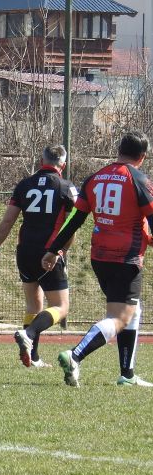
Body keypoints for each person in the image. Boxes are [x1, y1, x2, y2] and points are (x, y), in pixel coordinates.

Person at [43, 132, 153, 387]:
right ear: (143, 156)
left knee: (132, 310)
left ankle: (127, 374)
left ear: (119, 150)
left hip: (100, 257)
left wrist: (54, 249)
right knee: (119, 317)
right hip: (126, 257)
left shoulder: (95, 178)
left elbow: (75, 219)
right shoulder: (139, 180)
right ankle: (75, 355)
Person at [0, 145, 76, 368]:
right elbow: (71, 225)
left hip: (24, 251)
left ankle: (32, 357)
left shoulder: (24, 185)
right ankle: (29, 333)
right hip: (49, 252)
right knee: (61, 306)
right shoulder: (67, 187)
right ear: (63, 165)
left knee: (33, 306)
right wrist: (59, 252)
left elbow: (8, 220)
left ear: (41, 161)